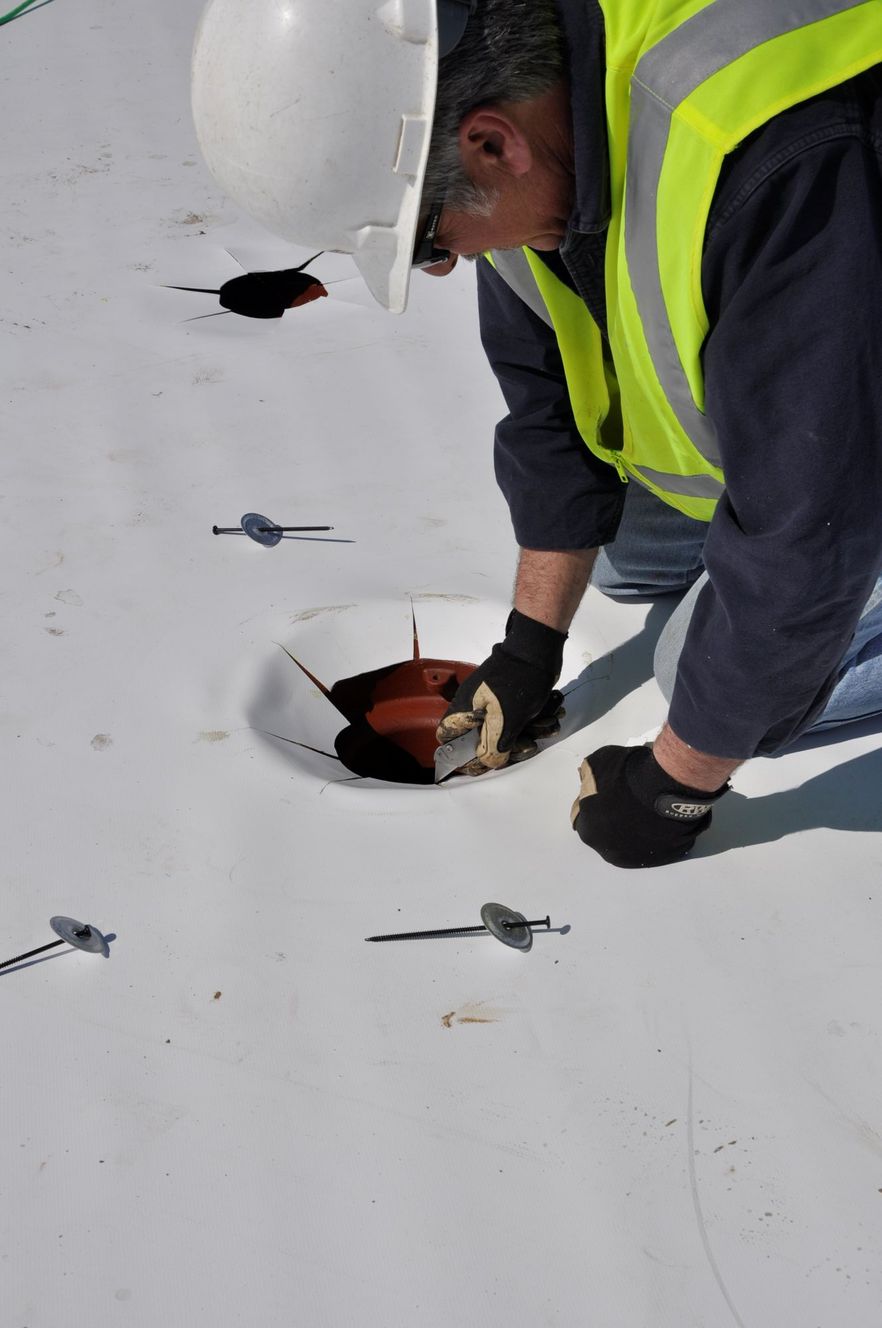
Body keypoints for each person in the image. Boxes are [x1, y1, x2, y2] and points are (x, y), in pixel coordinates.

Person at [192, 0, 882, 867]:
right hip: (809, 386)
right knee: (629, 559)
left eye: (427, 240)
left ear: (490, 144)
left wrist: (679, 783)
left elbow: (807, 528)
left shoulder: (762, 155)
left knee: (695, 678)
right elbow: (548, 404)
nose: (443, 264)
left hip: (850, 390)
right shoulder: (541, 112)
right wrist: (529, 646)